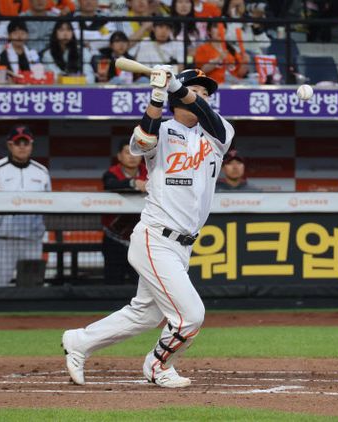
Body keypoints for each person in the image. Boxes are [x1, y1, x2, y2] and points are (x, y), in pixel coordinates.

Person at [62, 66, 234, 388]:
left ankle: (79, 341)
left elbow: (205, 112)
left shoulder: (219, 132)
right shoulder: (163, 130)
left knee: (145, 314)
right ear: (177, 99)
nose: (203, 97)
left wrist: (177, 86)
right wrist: (158, 95)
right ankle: (157, 366)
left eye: (206, 93)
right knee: (190, 316)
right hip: (156, 237)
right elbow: (141, 142)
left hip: (184, 245)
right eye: (198, 90)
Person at [0, 125, 51, 288]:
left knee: (32, 287)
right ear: (10, 145)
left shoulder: (41, 171)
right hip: (2, 240)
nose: (22, 147)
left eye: (26, 143)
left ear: (31, 145)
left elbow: (48, 205)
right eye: (18, 143)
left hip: (31, 240)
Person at [101, 140, 148, 284]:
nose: (132, 156)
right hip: (114, 238)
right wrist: (133, 183)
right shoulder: (111, 173)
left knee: (140, 282)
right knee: (113, 282)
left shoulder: (150, 172)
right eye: (128, 152)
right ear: (119, 156)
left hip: (142, 239)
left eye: (136, 152)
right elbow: (110, 184)